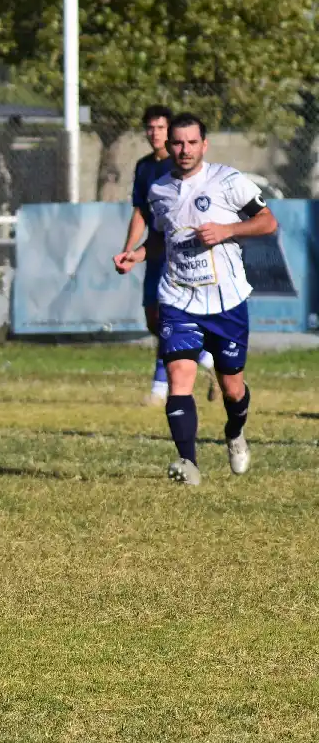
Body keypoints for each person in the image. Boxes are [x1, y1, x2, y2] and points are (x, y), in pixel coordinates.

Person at [114, 114, 277, 485]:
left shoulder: (228, 181)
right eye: (177, 143)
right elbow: (160, 239)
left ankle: (235, 433)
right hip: (178, 297)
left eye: (191, 143)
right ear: (168, 146)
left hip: (226, 302)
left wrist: (228, 230)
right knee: (179, 377)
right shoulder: (160, 190)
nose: (184, 150)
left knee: (232, 389)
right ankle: (188, 463)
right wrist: (134, 255)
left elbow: (268, 222)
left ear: (204, 144)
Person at [120, 105, 217, 405]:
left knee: (168, 320)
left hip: (178, 254)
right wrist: (129, 250)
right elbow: (141, 212)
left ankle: (159, 389)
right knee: (154, 321)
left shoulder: (182, 167)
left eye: (160, 128)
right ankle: (208, 358)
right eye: (150, 128)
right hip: (154, 250)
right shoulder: (144, 167)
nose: (154, 133)